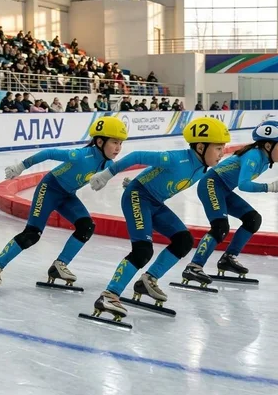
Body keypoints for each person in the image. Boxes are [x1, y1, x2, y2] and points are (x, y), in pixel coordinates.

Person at [82, 117, 230, 325]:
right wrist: (107, 174)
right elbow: (136, 156)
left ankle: (147, 281)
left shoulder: (201, 167)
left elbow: (158, 177)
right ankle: (109, 295)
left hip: (154, 201)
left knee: (184, 240)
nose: (222, 153)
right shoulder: (177, 159)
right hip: (138, 197)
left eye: (223, 148)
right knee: (143, 250)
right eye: (218, 148)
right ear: (200, 146)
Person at [0, 117, 128, 294]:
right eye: (115, 142)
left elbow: (113, 173)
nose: (118, 148)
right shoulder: (80, 155)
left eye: (121, 143)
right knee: (32, 234)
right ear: (100, 141)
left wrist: (130, 184)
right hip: (49, 189)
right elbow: (48, 153)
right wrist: (21, 166)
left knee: (86, 226)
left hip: (67, 196)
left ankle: (59, 265)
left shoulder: (108, 164)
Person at [182, 120, 278, 289]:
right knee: (220, 227)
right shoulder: (254, 155)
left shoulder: (262, 156)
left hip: (223, 188)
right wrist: (269, 187)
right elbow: (244, 184)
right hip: (211, 184)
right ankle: (194, 267)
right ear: (268, 146)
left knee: (253, 219)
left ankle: (228, 259)